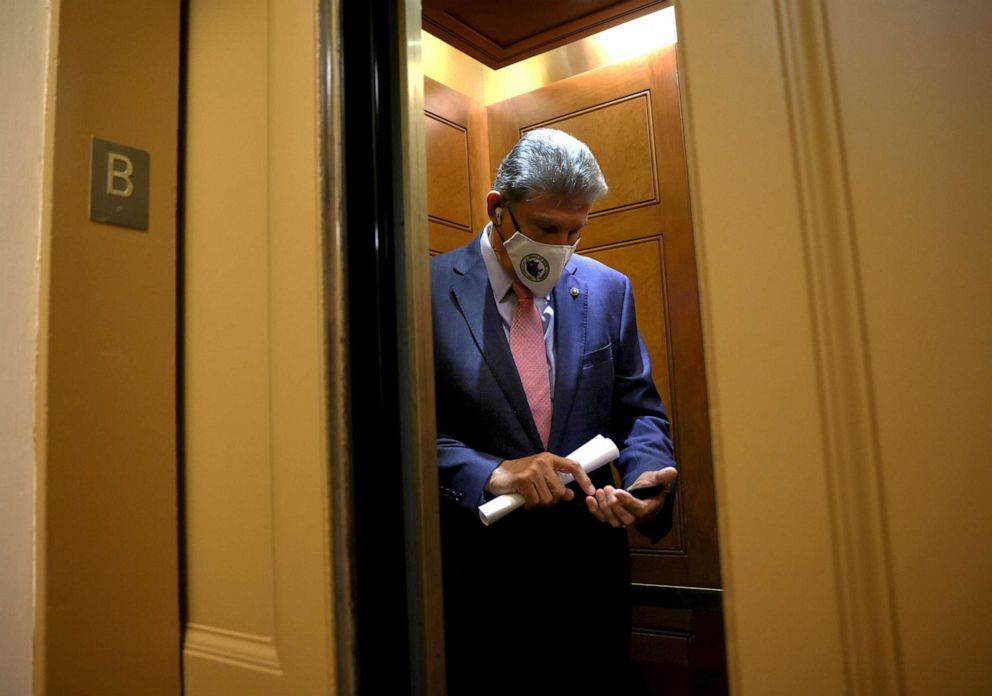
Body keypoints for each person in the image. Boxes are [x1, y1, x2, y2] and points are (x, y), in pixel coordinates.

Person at [431, 128, 678, 694]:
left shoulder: (608, 289)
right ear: (499, 208)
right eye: (546, 228)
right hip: (478, 581)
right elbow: (400, 431)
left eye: (576, 231)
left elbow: (638, 410)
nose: (561, 249)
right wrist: (489, 472)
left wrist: (645, 476)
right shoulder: (423, 290)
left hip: (589, 580)